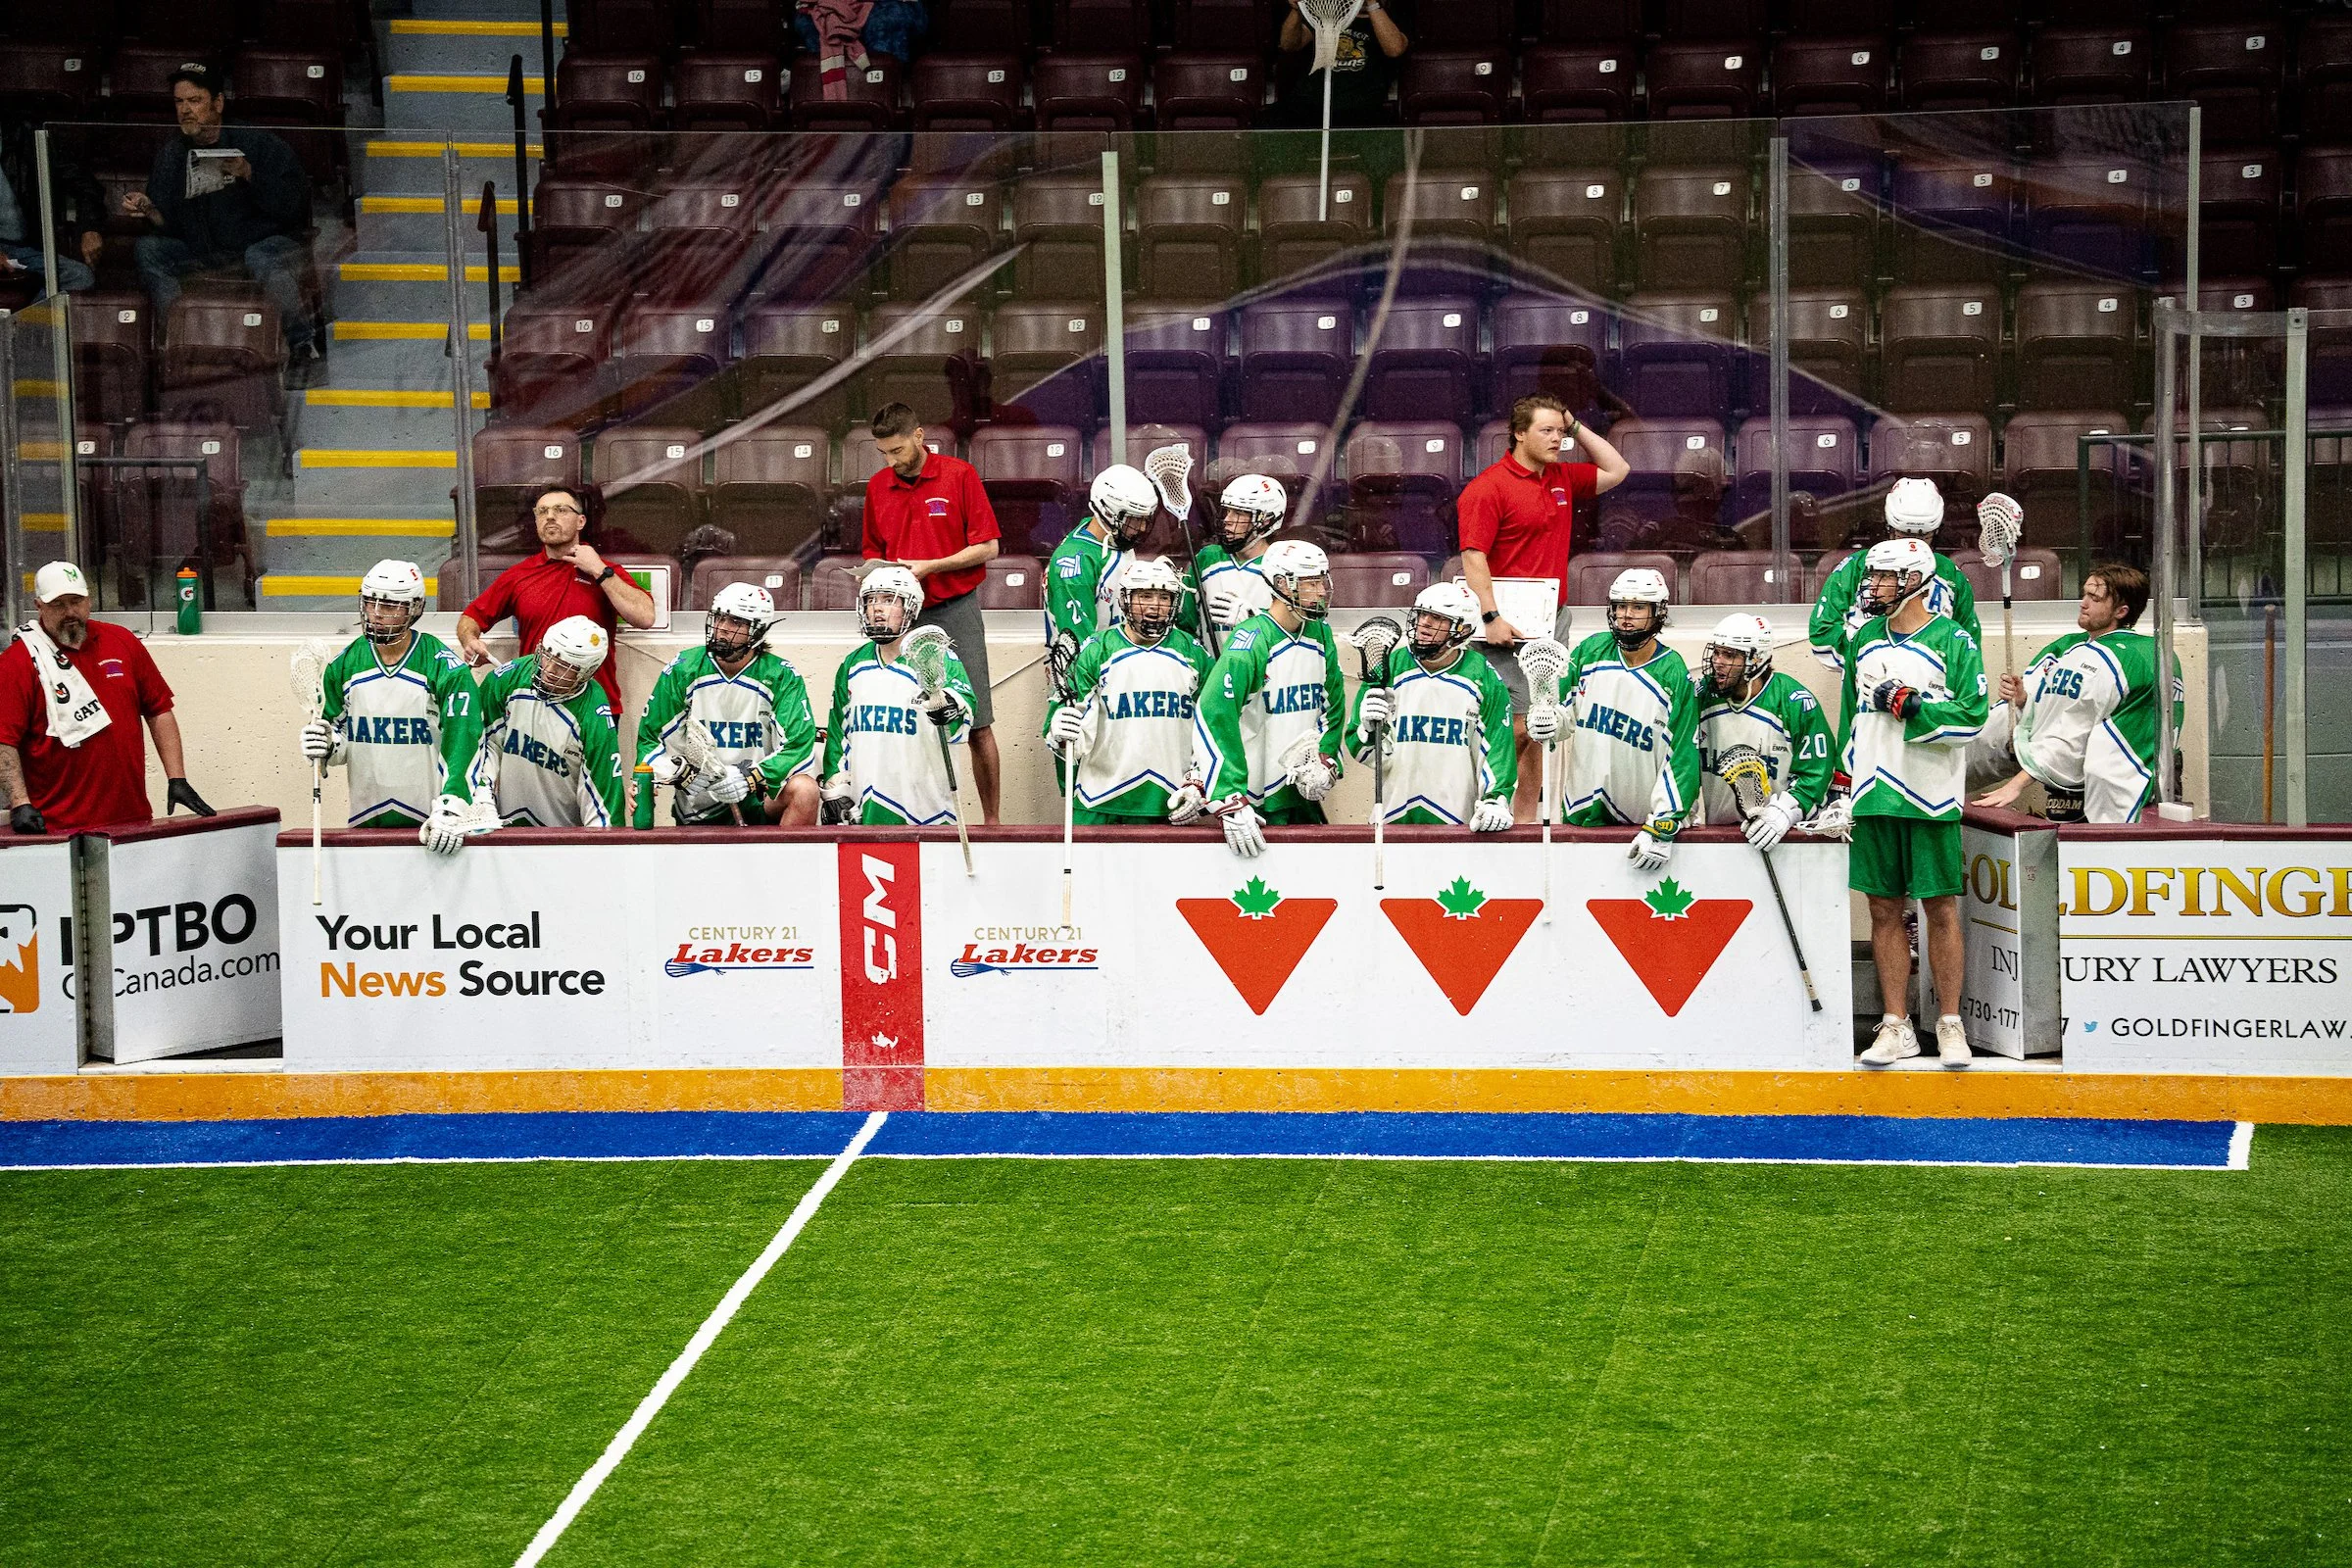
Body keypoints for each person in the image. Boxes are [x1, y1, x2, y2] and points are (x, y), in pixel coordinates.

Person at [1835, 537, 1990, 1069]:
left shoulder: (1955, 640)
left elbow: (1972, 716)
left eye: (1883, 578)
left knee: (1940, 908)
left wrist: (1912, 705)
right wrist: (1841, 781)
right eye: (1871, 577)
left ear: (1915, 581)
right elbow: (1850, 716)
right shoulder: (1864, 641)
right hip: (1874, 792)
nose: (1872, 586)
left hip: (1928, 794)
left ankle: (1950, 1023)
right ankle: (1895, 1024)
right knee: (1883, 910)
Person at [1456, 392, 1630, 820]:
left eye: (1560, 431)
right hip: (1504, 623)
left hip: (1552, 620)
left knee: (1538, 725)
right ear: (1518, 433)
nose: (1557, 439)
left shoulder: (1562, 476)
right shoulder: (1488, 487)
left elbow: (1618, 469)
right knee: (1509, 728)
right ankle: (1487, 808)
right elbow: (1473, 556)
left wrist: (1576, 426)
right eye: (1546, 430)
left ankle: (1524, 823)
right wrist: (1490, 616)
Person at [859, 403, 1004, 822]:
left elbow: (989, 547)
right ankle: (907, 812)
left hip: (954, 609)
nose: (892, 461)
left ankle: (992, 821)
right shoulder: (877, 487)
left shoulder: (959, 475)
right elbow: (872, 551)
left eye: (899, 450)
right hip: (900, 614)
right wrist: (874, 575)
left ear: (920, 436)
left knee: (977, 722)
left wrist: (931, 566)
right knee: (901, 719)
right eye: (884, 453)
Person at [122, 65, 318, 368]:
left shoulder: (257, 143)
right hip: (203, 251)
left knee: (261, 256)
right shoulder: (172, 153)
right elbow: (168, 226)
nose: (186, 110)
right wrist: (150, 209)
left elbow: (293, 206)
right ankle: (180, 339)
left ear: (218, 102)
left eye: (195, 100)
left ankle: (303, 345)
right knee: (149, 249)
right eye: (179, 102)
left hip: (259, 246)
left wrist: (249, 173)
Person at [1, 561, 214, 834]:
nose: (69, 612)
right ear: (39, 605)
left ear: (89, 599)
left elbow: (158, 709)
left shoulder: (121, 641)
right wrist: (20, 803)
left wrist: (177, 778)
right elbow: (3, 740)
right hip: (57, 826)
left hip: (131, 820)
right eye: (58, 605)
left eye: (76, 601)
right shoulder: (17, 663)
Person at [297, 560, 484, 853]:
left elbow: (464, 740)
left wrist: (453, 805)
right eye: (371, 603)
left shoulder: (444, 669)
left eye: (390, 606)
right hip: (366, 820)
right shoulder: (344, 666)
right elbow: (338, 737)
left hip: (431, 824)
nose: (377, 614)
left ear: (415, 609)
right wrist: (326, 745)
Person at [1972, 561, 2180, 823]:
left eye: (2095, 598)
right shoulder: (2067, 647)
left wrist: (2016, 784)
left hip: (2123, 788)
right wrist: (2025, 699)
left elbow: (2072, 734)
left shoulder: (2125, 660)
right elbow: (2054, 715)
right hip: (2079, 784)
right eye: (2084, 594)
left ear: (2121, 611)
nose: (2083, 603)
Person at [1526, 567, 1698, 876]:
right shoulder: (1591, 650)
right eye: (1619, 606)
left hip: (1641, 825)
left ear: (1658, 612)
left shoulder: (1673, 673)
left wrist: (1663, 823)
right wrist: (1546, 723)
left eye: (1637, 607)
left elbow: (1682, 758)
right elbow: (1562, 712)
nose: (1625, 615)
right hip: (1581, 813)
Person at [1194, 539, 1347, 858]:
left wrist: (1326, 760)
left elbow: (1331, 708)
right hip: (1253, 803)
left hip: (1301, 798)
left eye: (1323, 580)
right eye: (1310, 582)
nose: (1321, 591)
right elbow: (1214, 715)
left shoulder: (1321, 634)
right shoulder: (1251, 641)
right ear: (1281, 585)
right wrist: (1228, 795)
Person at [455, 483, 659, 715]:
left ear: (580, 521)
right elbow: (470, 617)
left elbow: (645, 617)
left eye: (561, 510)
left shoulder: (607, 571)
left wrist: (598, 571)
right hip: (534, 704)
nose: (550, 517)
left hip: (594, 708)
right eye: (542, 511)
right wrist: (470, 641)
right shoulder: (519, 575)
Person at [631, 583, 820, 827]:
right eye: (719, 618)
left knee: (805, 790)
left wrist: (749, 778)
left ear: (758, 632)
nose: (722, 629)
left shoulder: (781, 676)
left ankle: (787, 865)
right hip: (698, 804)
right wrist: (680, 772)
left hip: (756, 798)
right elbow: (650, 739)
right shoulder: (684, 668)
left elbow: (798, 745)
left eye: (736, 623)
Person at [1046, 557, 1214, 826]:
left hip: (1171, 800)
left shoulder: (1194, 655)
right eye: (1144, 596)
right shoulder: (1096, 651)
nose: (1154, 607)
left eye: (1164, 598)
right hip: (1100, 800)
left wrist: (1200, 781)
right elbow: (1068, 733)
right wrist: (1060, 733)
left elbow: (1213, 728)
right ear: (1124, 600)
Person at [1347, 581, 1516, 830]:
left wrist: (1495, 800)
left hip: (1457, 821)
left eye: (1436, 618)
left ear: (1462, 629)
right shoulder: (1389, 666)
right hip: (1391, 817)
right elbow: (1365, 752)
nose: (1424, 624)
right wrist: (1368, 731)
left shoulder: (1483, 677)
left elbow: (1498, 751)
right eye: (1421, 614)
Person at [821, 564, 976, 826]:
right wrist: (835, 783)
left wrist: (948, 707)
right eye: (871, 601)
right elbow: (839, 731)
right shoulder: (853, 665)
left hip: (927, 807)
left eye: (888, 601)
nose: (877, 609)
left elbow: (964, 711)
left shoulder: (936, 657)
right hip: (866, 801)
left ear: (911, 608)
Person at [1808, 477, 1980, 672]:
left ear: (1936, 532)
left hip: (1933, 692)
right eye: (1904, 535)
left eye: (1923, 536)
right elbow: (1823, 635)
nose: (1912, 545)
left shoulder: (1951, 576)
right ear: (1889, 529)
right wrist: (1871, 657)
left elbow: (1969, 647)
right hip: (1868, 686)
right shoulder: (1855, 568)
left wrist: (1925, 663)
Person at [1692, 612, 1835, 846]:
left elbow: (1817, 772)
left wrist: (1786, 812)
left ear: (1756, 659)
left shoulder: (1795, 702)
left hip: (1782, 838)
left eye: (1729, 655)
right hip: (1718, 839)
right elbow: (1678, 757)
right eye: (1716, 651)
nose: (1718, 662)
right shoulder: (1701, 696)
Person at [468, 615, 623, 828]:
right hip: (503, 828)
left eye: (563, 667)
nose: (549, 670)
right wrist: (481, 797)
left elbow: (602, 803)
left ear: (586, 672)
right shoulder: (507, 680)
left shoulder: (594, 714)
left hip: (562, 839)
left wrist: (597, 851)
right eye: (547, 656)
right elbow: (481, 744)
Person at [1045, 465, 1196, 648]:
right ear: (1107, 512)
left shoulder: (1115, 540)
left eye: (1144, 519)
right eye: (1134, 520)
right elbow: (1081, 649)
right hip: (1095, 670)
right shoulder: (1076, 563)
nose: (1141, 528)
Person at [1273, 0, 1411, 129]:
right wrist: (1296, 10)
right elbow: (1288, 45)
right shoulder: (1326, 13)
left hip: (1362, 108)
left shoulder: (1389, 16)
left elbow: (1395, 49)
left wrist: (1372, 4)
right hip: (1310, 103)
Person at [0, 128, 100, 298]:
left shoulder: (24, 134)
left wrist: (89, 227)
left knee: (80, 277)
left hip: (22, 249)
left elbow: (84, 183)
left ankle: (22, 323)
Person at [1195, 473, 1286, 636]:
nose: (1227, 520)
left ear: (1265, 520)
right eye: (1228, 511)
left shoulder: (1284, 568)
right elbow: (1185, 624)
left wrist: (1253, 619)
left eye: (1238, 513)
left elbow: (1296, 635)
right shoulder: (1207, 558)